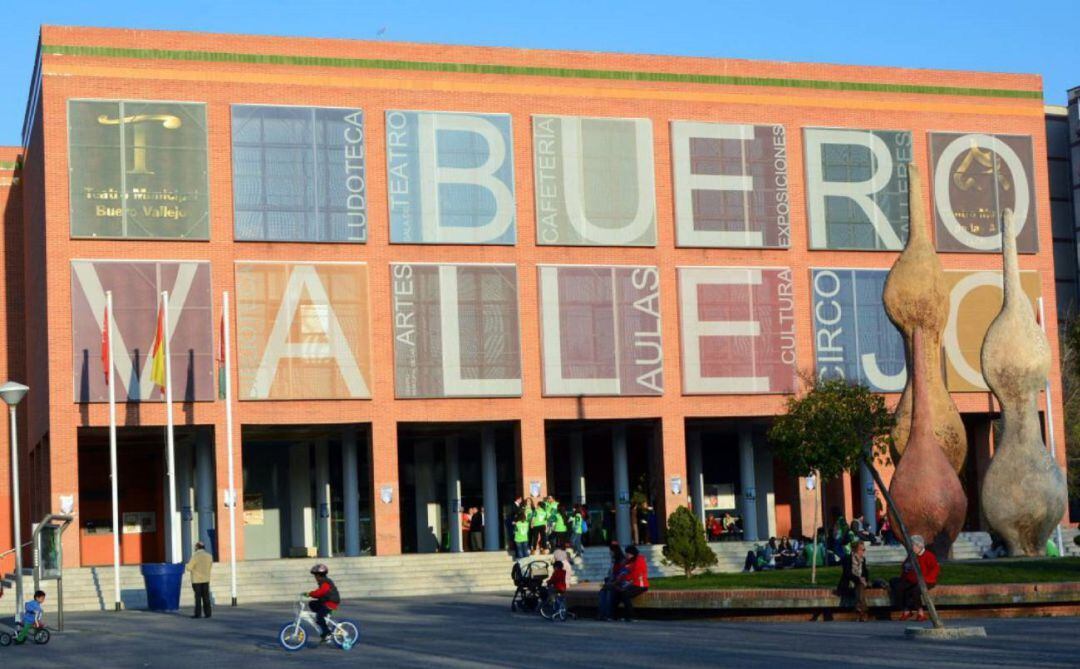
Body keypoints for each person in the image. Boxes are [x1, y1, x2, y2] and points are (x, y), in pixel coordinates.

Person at [895, 535, 939, 621]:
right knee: (900, 587)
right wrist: (904, 574)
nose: (911, 548)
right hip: (912, 580)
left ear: (919, 546)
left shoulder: (928, 555)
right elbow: (905, 568)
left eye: (913, 546)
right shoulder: (911, 556)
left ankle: (920, 612)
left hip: (926, 581)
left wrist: (925, 579)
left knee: (916, 590)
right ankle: (906, 611)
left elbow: (935, 569)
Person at [613, 545, 649, 622]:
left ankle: (631, 616)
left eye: (628, 554)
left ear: (632, 554)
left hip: (640, 585)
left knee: (625, 594)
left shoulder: (639, 560)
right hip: (632, 584)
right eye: (626, 554)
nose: (626, 555)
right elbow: (623, 572)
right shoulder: (629, 561)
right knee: (618, 593)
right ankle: (616, 615)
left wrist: (625, 579)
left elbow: (635, 574)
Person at [306, 564, 341, 643]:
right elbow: (320, 593)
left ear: (319, 575)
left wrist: (310, 594)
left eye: (315, 576)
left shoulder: (325, 583)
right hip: (326, 601)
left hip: (331, 602)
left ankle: (327, 633)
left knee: (319, 616)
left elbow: (320, 593)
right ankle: (322, 618)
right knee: (312, 603)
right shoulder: (322, 582)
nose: (315, 578)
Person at [838, 540, 871, 621]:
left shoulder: (863, 560)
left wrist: (864, 579)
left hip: (859, 584)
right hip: (849, 583)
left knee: (860, 585)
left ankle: (859, 608)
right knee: (860, 585)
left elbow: (865, 574)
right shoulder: (847, 558)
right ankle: (864, 611)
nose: (863, 551)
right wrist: (858, 579)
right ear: (855, 550)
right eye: (861, 549)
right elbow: (847, 573)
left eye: (864, 549)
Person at [597, 543, 626, 621]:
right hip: (612, 582)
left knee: (609, 592)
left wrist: (612, 583)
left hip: (619, 584)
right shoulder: (613, 561)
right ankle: (603, 614)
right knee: (602, 592)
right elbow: (611, 574)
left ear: (614, 551)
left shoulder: (622, 561)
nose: (610, 553)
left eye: (610, 551)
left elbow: (622, 575)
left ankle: (609, 615)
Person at [185, 540, 213, 619]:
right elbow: (210, 566)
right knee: (206, 596)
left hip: (196, 580)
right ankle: (208, 613)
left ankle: (198, 614)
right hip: (206, 579)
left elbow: (189, 567)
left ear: (197, 547)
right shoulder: (209, 556)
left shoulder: (195, 556)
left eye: (195, 547)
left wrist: (192, 569)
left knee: (198, 597)